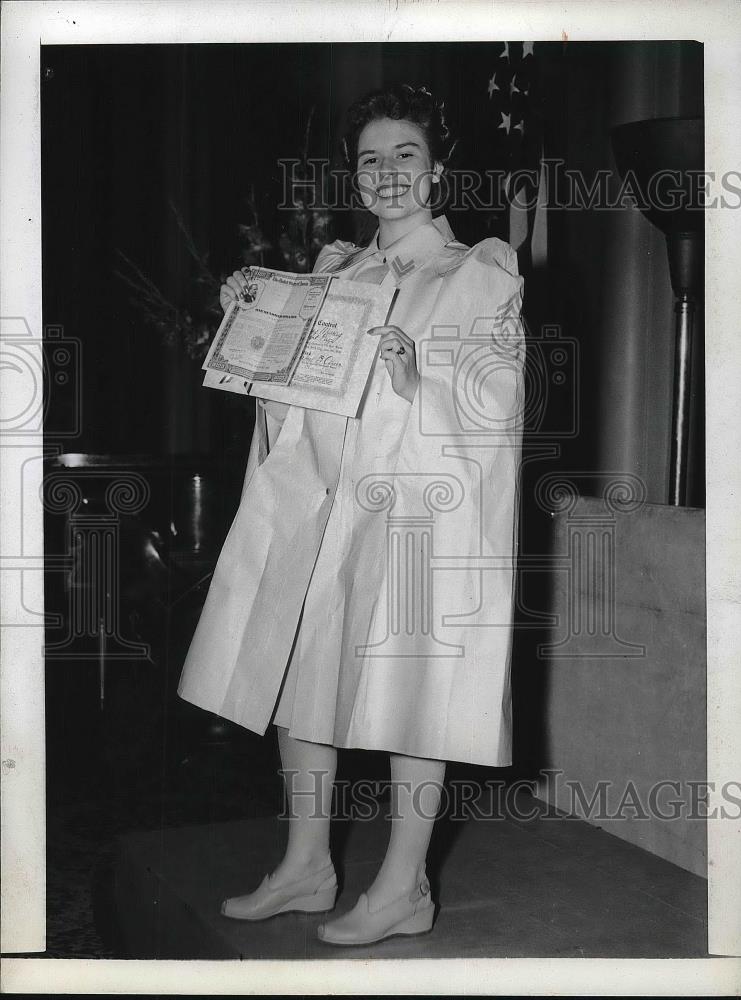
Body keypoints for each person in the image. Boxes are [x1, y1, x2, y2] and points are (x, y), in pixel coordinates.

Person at [177, 83, 525, 946]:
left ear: (436, 170)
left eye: (405, 154)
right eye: (370, 159)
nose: (387, 172)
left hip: (416, 514)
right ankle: (306, 865)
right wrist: (251, 329)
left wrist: (419, 381)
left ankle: (403, 885)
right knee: (302, 675)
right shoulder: (335, 272)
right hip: (328, 506)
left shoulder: (476, 274)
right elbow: (290, 401)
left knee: (414, 690)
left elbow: (503, 402)